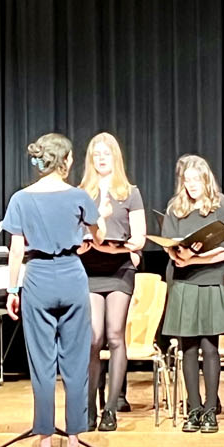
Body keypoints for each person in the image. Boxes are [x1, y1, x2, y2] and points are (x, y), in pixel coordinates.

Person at [0, 132, 103, 447]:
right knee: (76, 364)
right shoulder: (79, 195)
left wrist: (13, 290)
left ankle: (45, 446)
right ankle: (73, 445)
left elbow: (17, 249)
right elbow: (97, 235)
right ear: (67, 160)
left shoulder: (21, 198)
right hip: (72, 275)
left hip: (38, 279)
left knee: (42, 366)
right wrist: (82, 237)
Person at [159, 154, 224, 434]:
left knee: (209, 346)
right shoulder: (175, 207)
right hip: (184, 281)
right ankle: (193, 409)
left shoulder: (219, 205)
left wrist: (196, 259)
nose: (191, 185)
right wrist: (180, 255)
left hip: (210, 279)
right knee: (188, 347)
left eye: (196, 180)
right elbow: (170, 244)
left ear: (206, 180)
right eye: (187, 180)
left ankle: (211, 411)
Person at [77, 132, 147, 431]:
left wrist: (118, 247)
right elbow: (73, 234)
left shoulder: (129, 192)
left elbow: (139, 238)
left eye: (107, 153)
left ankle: (110, 409)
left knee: (115, 335)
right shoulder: (80, 192)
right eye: (96, 154)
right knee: (93, 339)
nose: (102, 158)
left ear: (115, 157)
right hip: (89, 269)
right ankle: (90, 408)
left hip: (119, 269)